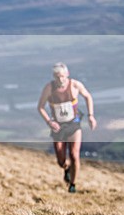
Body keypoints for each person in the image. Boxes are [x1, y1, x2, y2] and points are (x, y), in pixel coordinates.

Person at [37, 62, 97, 193]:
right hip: (58, 127)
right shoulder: (49, 88)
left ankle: (73, 185)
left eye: (63, 76)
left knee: (74, 155)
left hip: (74, 124)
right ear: (54, 76)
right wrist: (49, 122)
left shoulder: (75, 85)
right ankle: (66, 168)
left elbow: (88, 96)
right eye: (57, 76)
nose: (60, 79)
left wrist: (91, 115)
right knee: (61, 160)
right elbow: (40, 107)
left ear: (67, 74)